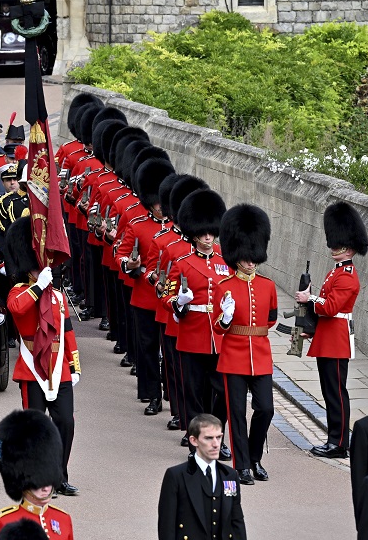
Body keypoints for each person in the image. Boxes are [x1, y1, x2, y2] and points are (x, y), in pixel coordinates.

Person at [4, 216, 81, 496]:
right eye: (37, 264)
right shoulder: (20, 291)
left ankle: (59, 475)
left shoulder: (58, 297)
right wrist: (37, 288)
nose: (42, 268)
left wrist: (74, 366)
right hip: (32, 366)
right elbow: (18, 309)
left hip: (58, 366)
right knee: (35, 427)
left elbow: (67, 331)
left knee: (65, 423)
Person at [296, 201, 368, 459]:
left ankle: (339, 444)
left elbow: (331, 307)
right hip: (328, 337)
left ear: (348, 248)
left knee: (336, 393)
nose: (332, 248)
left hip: (337, 340)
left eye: (337, 245)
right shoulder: (335, 272)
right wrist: (311, 326)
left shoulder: (348, 275)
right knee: (330, 392)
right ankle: (334, 439)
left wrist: (310, 299)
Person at [164, 189, 231, 460]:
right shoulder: (182, 263)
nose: (207, 238)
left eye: (210, 233)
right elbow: (168, 297)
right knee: (193, 394)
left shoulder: (225, 262)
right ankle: (197, 445)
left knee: (221, 392)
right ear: (194, 233)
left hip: (219, 334)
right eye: (203, 234)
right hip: (192, 333)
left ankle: (217, 435)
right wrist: (180, 301)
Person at [214, 204, 277, 485]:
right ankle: (241, 466)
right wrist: (226, 318)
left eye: (254, 257)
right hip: (233, 356)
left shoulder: (268, 286)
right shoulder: (223, 286)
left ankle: (254, 457)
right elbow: (217, 325)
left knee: (265, 408)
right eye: (246, 257)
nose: (251, 262)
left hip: (260, 355)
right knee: (236, 412)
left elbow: (271, 319)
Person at [114, 158, 175, 416]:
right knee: (148, 349)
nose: (161, 207)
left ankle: (174, 397)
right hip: (145, 296)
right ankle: (152, 395)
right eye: (157, 202)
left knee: (171, 354)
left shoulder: (177, 228)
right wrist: (130, 263)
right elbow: (121, 254)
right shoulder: (137, 226)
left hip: (170, 300)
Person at [0, 409, 73, 540]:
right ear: (23, 483)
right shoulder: (3, 522)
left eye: (48, 481)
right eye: (39, 483)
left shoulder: (63, 519)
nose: (45, 488)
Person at [157, 414, 246, 540]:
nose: (216, 444)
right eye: (209, 438)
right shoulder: (176, 476)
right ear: (194, 440)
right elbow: (167, 526)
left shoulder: (230, 475)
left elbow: (236, 520)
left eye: (219, 437)